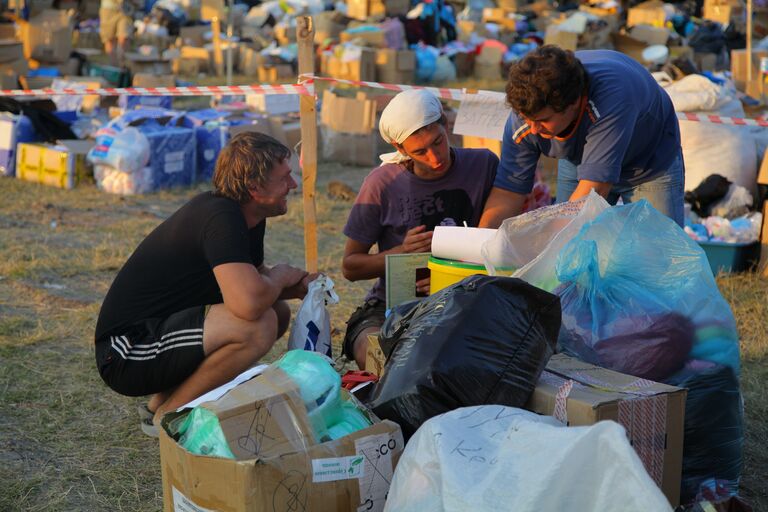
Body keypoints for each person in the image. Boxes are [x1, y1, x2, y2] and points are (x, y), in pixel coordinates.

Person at [94, 132, 315, 435]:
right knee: (258, 324)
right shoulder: (221, 218)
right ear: (254, 187)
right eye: (285, 178)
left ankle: (159, 405)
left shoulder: (245, 215)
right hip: (125, 352)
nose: (293, 185)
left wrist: (298, 286)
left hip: (157, 335)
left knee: (276, 312)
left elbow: (252, 281)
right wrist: (279, 276)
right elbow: (248, 302)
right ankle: (172, 418)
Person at [341, 89, 498, 370]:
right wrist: (401, 251)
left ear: (446, 125)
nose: (435, 157)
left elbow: (505, 239)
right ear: (399, 148)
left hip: (467, 301)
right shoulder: (381, 184)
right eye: (419, 152)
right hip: (392, 308)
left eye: (438, 142)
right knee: (382, 357)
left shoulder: (483, 165)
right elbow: (350, 267)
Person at [479, 46, 685, 229]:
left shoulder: (611, 101)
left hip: (649, 162)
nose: (532, 129)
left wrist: (545, 244)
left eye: (543, 120)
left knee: (657, 254)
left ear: (574, 103)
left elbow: (595, 189)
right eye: (526, 119)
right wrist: (479, 245)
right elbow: (508, 190)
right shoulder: (527, 110)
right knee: (573, 257)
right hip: (582, 160)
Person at [99, 0, 134, 66]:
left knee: (124, 37)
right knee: (109, 39)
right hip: (109, 8)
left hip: (125, 9)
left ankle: (122, 63)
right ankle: (113, 66)